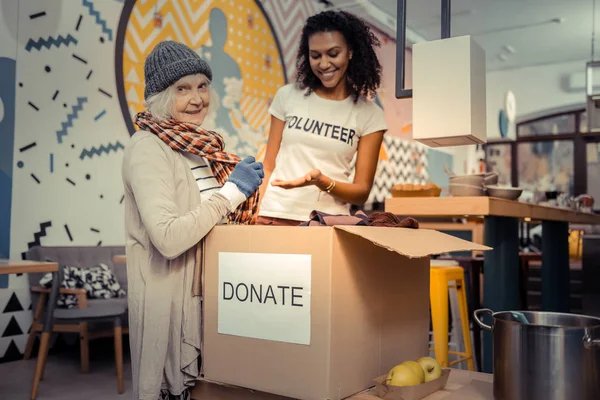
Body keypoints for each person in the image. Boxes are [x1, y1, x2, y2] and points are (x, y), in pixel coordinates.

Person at [121, 40, 264, 400]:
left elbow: (208, 224)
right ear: (159, 96)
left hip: (203, 295)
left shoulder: (198, 149)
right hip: (168, 303)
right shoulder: (148, 147)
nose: (196, 98)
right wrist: (231, 193)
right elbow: (168, 238)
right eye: (182, 88)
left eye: (202, 85)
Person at [256, 10, 388, 226]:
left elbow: (362, 192)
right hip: (273, 214)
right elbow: (268, 165)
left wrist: (322, 182)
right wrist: (255, 208)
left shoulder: (370, 115)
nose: (324, 64)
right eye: (315, 56)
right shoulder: (288, 96)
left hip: (325, 221)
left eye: (333, 53)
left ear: (350, 52)